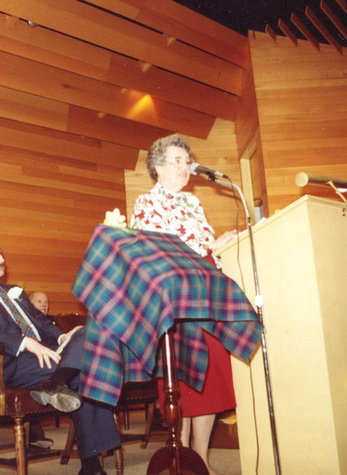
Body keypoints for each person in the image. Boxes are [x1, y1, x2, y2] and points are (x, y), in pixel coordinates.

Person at [0, 233, 120, 475]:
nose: (0, 259)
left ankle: (56, 382)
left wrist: (63, 338)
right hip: (9, 363)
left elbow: (42, 322)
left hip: (47, 354)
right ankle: (91, 466)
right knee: (87, 373)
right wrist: (23, 342)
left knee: (88, 330)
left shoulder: (14, 291)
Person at [130, 135, 237, 475]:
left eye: (186, 160)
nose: (184, 166)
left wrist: (220, 250)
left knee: (210, 381)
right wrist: (210, 250)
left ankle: (200, 458)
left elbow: (207, 248)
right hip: (174, 302)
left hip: (205, 297)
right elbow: (157, 254)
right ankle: (181, 456)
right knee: (184, 384)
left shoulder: (192, 202)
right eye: (176, 160)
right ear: (158, 167)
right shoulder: (147, 203)